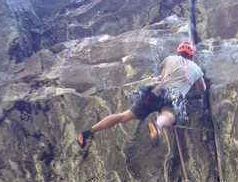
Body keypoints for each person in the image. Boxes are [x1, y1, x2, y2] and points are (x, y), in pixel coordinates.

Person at [77, 40, 206, 149]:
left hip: (156, 91)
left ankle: (89, 131)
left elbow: (162, 77)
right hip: (174, 95)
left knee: (123, 116)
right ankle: (157, 125)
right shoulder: (197, 69)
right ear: (192, 55)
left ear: (179, 52)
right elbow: (202, 89)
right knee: (169, 116)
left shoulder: (170, 59)